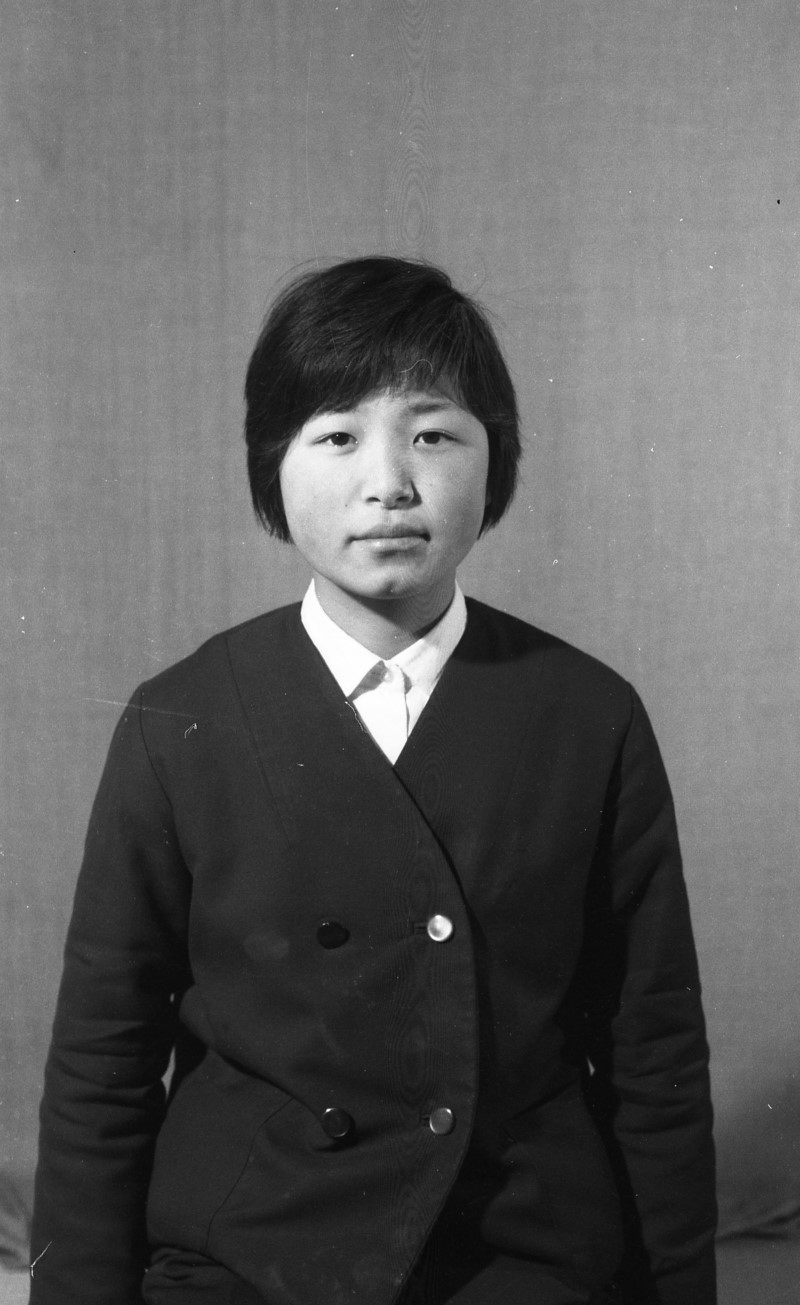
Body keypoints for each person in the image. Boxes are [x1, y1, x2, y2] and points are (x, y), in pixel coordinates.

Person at [29, 256, 717, 1305]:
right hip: (246, 1253)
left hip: (516, 1248)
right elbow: (102, 1055)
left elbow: (651, 1050)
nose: (388, 481)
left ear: (496, 461)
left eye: (432, 435)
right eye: (338, 436)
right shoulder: (180, 718)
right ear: (273, 465)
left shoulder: (590, 714)